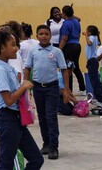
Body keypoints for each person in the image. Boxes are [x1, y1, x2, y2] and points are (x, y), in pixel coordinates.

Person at [0, 28, 43, 170]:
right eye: (13, 45)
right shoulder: (1, 70)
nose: (16, 48)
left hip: (16, 119)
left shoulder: (5, 67)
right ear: (1, 48)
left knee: (36, 159)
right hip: (8, 120)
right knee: (5, 165)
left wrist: (11, 101)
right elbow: (8, 100)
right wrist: (23, 87)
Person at [24, 24, 72, 161]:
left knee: (51, 117)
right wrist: (25, 84)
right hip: (38, 88)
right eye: (41, 34)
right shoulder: (33, 51)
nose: (44, 36)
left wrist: (67, 89)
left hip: (52, 88)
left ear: (50, 36)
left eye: (46, 34)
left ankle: (53, 146)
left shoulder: (57, 52)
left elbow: (64, 70)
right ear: (37, 36)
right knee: (42, 117)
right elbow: (27, 68)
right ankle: (45, 143)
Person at [57, 5, 84, 93]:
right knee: (75, 67)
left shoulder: (66, 24)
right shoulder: (76, 22)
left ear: (64, 13)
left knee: (67, 67)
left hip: (69, 46)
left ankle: (69, 89)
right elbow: (79, 20)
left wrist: (59, 49)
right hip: (77, 45)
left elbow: (64, 38)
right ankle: (82, 87)